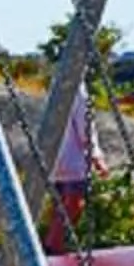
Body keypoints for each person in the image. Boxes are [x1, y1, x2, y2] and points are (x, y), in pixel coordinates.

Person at [45, 84, 103, 252]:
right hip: (73, 157)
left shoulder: (57, 86)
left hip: (57, 155)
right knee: (74, 203)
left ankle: (54, 242)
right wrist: (96, 155)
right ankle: (53, 244)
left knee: (61, 203)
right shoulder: (78, 92)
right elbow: (85, 126)